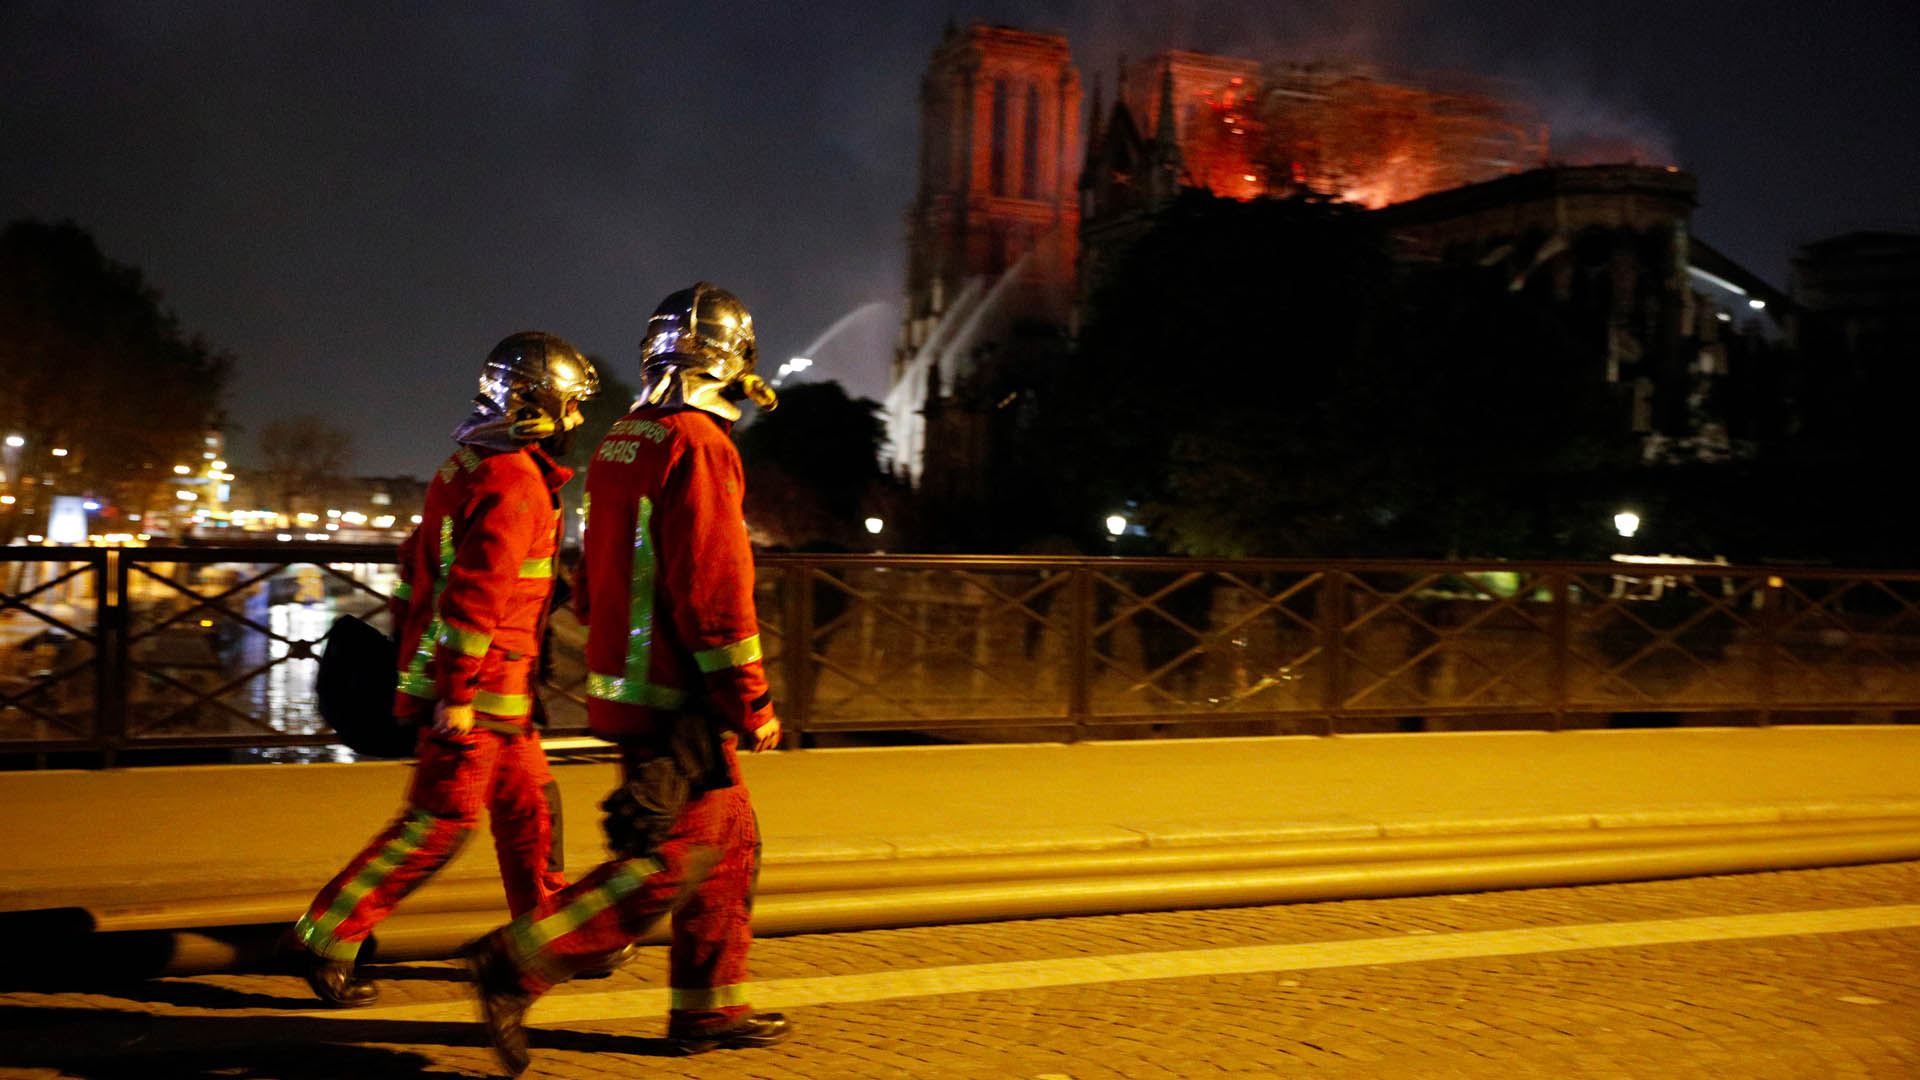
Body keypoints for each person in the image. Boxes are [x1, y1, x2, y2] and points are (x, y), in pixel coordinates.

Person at [459, 283, 791, 1075]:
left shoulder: (624, 437)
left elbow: (592, 569)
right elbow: (715, 585)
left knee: (732, 841)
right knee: (673, 857)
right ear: (732, 358)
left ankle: (710, 1010)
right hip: (677, 689)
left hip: (627, 675)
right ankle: (518, 959)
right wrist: (753, 700)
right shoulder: (702, 446)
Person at [288, 332, 600, 1007]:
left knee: (528, 812)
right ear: (536, 407)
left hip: (495, 688)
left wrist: (418, 660)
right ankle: (329, 932)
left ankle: (546, 936)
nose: (577, 421)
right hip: (479, 690)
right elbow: (476, 595)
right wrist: (453, 691)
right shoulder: (516, 482)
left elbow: (417, 566)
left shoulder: (465, 466)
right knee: (441, 821)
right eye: (571, 406)